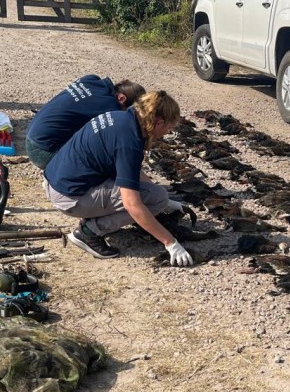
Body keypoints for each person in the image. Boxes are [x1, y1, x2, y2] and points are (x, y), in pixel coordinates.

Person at [43, 90, 194, 266]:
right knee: (155, 199)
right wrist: (170, 242)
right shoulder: (129, 142)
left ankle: (95, 216)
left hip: (55, 181)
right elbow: (132, 204)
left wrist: (167, 203)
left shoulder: (119, 117)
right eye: (168, 128)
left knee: (157, 196)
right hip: (69, 198)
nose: (167, 132)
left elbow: (131, 172)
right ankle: (88, 233)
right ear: (158, 122)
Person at [26, 74, 145, 170]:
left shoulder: (91, 79)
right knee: (103, 163)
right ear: (122, 98)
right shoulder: (110, 106)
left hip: (31, 136)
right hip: (43, 153)